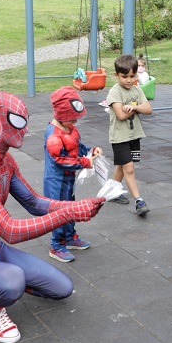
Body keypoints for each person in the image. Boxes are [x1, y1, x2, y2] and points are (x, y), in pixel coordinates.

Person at [0, 91, 104, 343]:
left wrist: (79, 205)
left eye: (26, 121)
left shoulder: (5, 162)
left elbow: (34, 202)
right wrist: (70, 212)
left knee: (62, 288)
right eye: (18, 121)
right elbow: (10, 231)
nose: (25, 129)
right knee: (12, 281)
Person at [44, 86, 103, 263]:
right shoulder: (53, 136)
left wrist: (90, 150)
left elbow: (76, 146)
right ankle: (56, 245)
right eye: (72, 119)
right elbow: (60, 160)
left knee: (70, 208)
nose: (75, 123)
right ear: (62, 116)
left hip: (68, 178)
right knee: (58, 211)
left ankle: (69, 237)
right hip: (56, 180)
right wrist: (85, 162)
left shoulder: (69, 129)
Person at [105, 54, 153, 216]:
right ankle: (139, 201)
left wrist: (134, 107)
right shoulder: (114, 92)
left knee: (122, 165)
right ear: (116, 75)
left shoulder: (137, 89)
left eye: (132, 76)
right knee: (130, 168)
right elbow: (121, 115)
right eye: (124, 76)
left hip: (134, 135)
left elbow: (148, 109)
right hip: (120, 137)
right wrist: (136, 106)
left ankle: (111, 192)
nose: (128, 80)